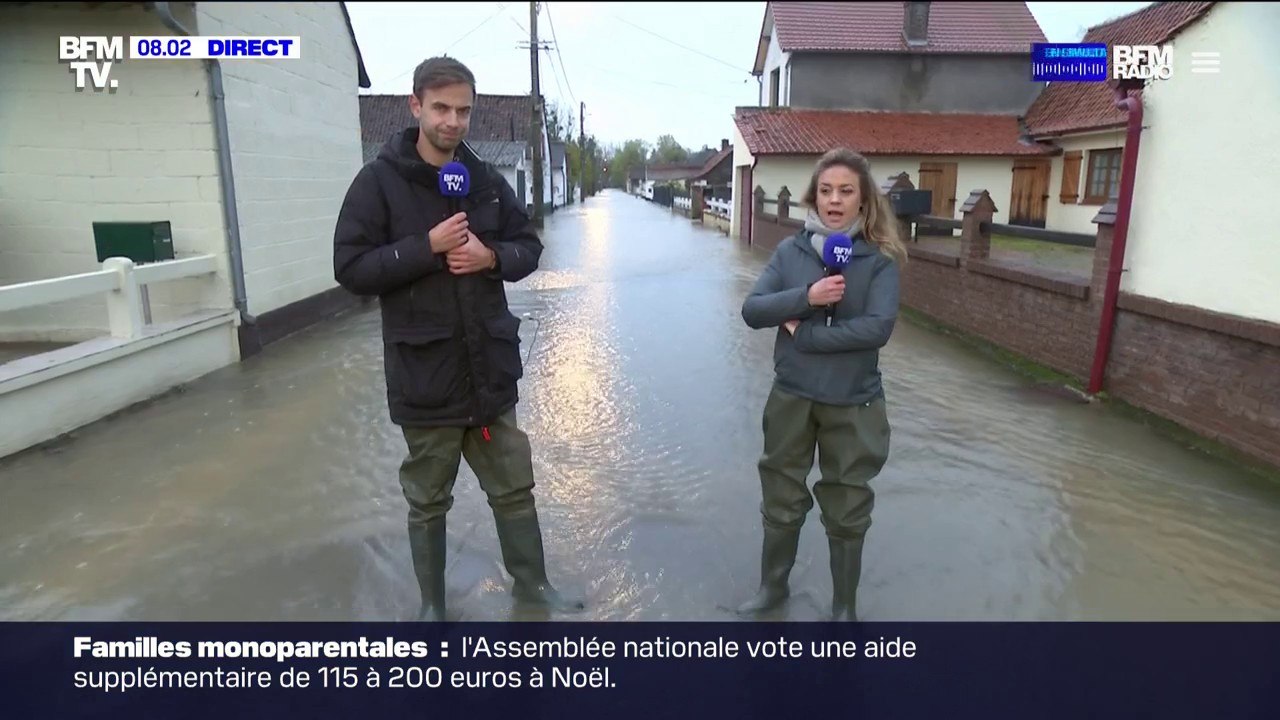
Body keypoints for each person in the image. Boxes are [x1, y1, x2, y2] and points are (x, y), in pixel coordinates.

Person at [332, 56, 583, 621]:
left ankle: (533, 590)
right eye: (441, 108)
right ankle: (432, 609)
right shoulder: (378, 183)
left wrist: (490, 256)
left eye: (463, 111)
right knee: (427, 501)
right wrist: (428, 247)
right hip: (426, 378)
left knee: (514, 487)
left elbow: (529, 247)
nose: (453, 121)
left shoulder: (486, 181)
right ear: (415, 106)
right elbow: (349, 269)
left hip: (489, 373)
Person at [737, 147, 908, 622]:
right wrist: (807, 296)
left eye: (846, 191)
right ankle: (773, 592)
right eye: (827, 191)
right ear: (814, 196)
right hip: (792, 395)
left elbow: (878, 330)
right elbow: (753, 310)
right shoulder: (790, 252)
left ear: (863, 200)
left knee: (848, 504)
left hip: (854, 402)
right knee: (781, 494)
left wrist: (806, 333)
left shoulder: (879, 261)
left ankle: (844, 609)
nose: (835, 200)